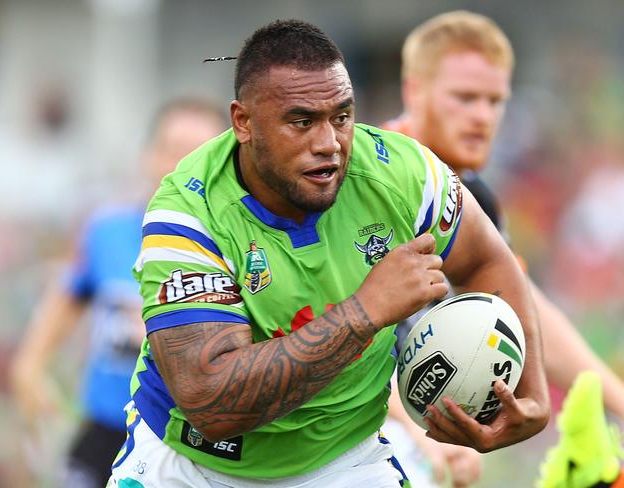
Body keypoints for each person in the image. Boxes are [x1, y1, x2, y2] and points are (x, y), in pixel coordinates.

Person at [107, 19, 550, 488]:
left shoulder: (404, 175)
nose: (329, 144)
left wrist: (534, 399)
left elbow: (486, 259)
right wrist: (364, 312)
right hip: (193, 465)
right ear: (244, 122)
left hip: (344, 461)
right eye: (301, 121)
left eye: (341, 117)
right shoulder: (188, 216)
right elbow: (214, 402)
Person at [382, 10, 624, 486]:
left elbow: (522, 308)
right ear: (415, 91)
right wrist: (414, 430)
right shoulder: (374, 184)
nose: (483, 116)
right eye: (465, 98)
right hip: (349, 434)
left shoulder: (475, 196)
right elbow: (343, 333)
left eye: (495, 101)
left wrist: (615, 398)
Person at [9, 98, 226, 487]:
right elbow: (72, 292)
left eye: (198, 154)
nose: (180, 166)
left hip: (184, 441)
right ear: (147, 155)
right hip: (105, 428)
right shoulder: (107, 230)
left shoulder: (235, 247)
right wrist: (30, 362)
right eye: (170, 150)